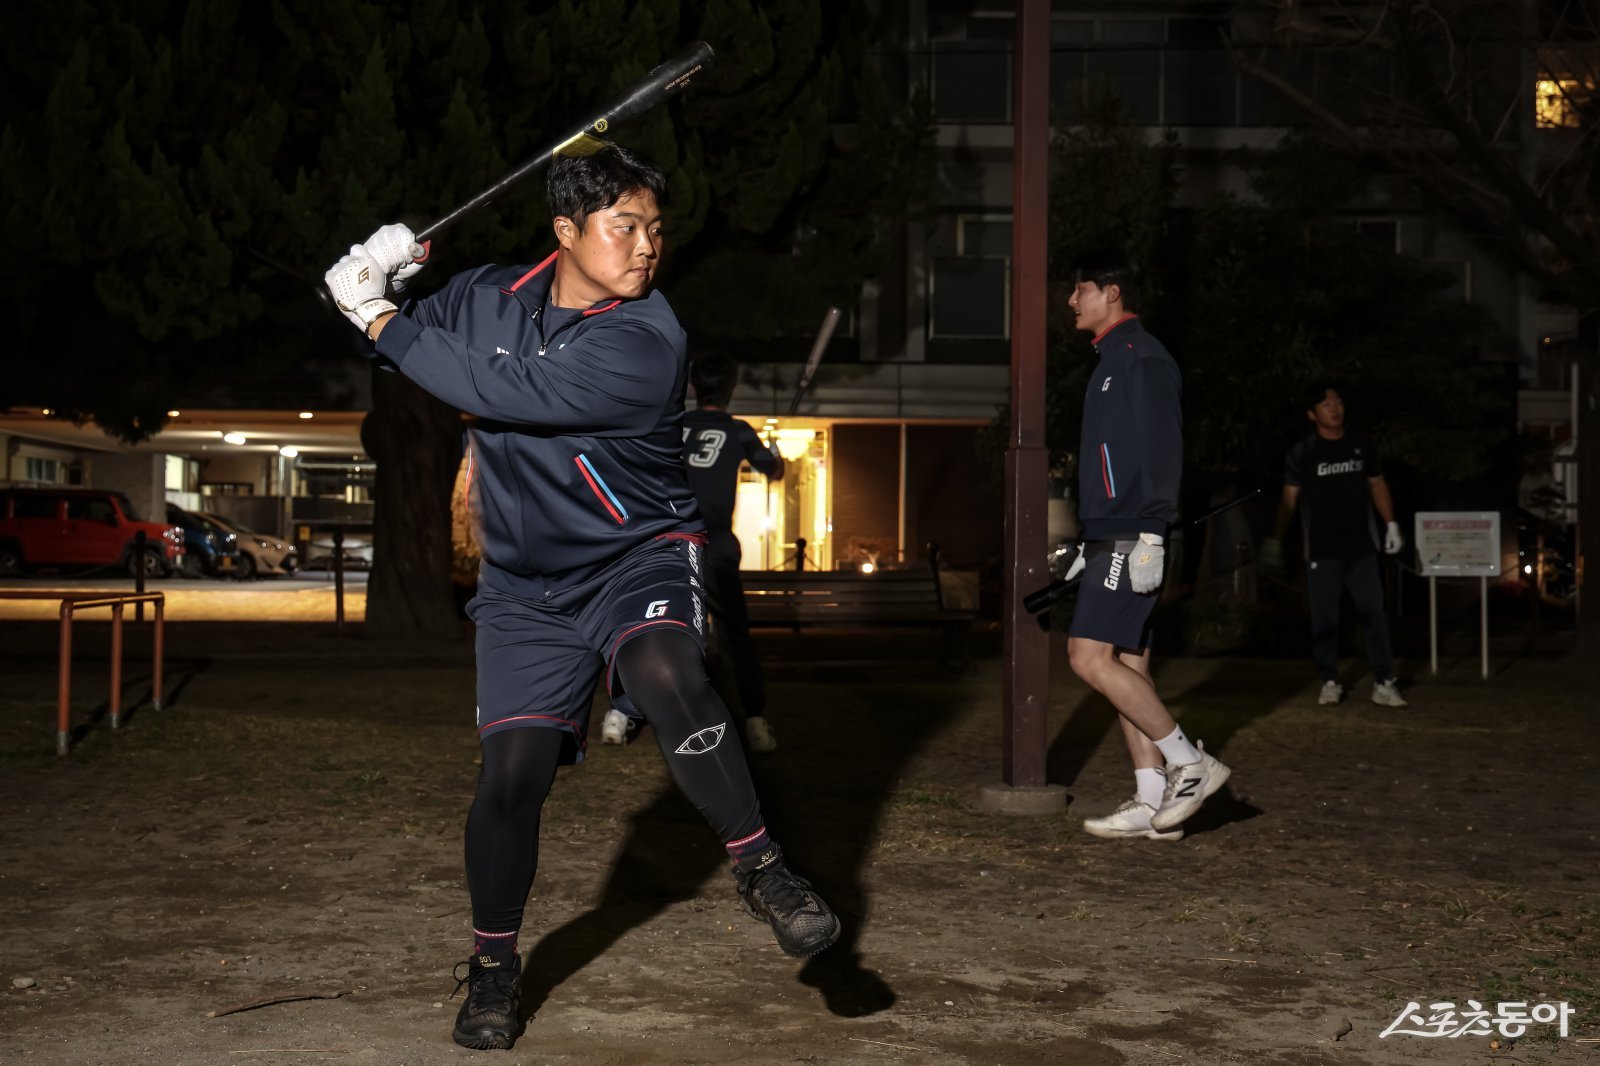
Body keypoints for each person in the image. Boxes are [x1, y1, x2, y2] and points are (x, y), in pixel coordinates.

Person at [322, 144, 840, 1052]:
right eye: (625, 226)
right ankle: (493, 967)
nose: (648, 247)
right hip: (524, 588)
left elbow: (498, 385)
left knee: (666, 670)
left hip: (636, 553)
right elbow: (412, 353)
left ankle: (762, 866)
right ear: (565, 230)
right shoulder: (487, 293)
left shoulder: (647, 338)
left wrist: (377, 316)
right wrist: (388, 281)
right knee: (510, 780)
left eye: (656, 229)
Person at [1060, 249, 1231, 843]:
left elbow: (1162, 450)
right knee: (1126, 664)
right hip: (1112, 531)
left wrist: (1153, 532)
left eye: (1080, 289)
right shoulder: (1110, 360)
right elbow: (1112, 460)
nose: (1072, 300)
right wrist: (1089, 539)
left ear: (1111, 292)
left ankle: (1190, 763)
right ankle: (1153, 798)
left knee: (1087, 657)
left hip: (1136, 531)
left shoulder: (1143, 358)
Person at [601, 352, 785, 753]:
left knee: (645, 625)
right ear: (731, 389)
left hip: (666, 541)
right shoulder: (738, 431)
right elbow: (774, 470)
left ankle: (620, 712)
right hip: (715, 545)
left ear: (695, 387)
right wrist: (775, 448)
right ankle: (755, 720)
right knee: (736, 634)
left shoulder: (671, 424)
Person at [1261, 383, 1407, 708]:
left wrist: (1391, 524)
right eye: (1326, 405)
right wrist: (1275, 539)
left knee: (1374, 614)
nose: (1335, 408)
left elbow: (1377, 484)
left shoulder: (1361, 445)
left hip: (1362, 548)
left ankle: (1384, 682)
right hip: (1322, 551)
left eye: (1338, 401)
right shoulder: (1303, 453)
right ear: (1312, 414)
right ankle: (1329, 680)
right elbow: (1289, 499)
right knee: (1325, 620)